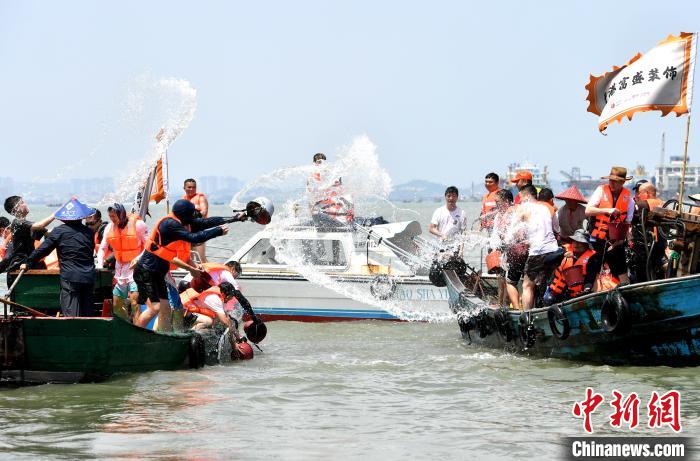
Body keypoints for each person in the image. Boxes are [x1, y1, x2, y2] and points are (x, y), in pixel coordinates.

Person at [134, 199, 243, 331]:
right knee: (155, 308)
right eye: (191, 214)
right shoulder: (169, 225)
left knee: (166, 309)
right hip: (146, 271)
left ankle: (165, 338)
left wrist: (235, 218)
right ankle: (136, 334)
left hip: (158, 273)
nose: (193, 218)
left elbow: (207, 222)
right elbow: (194, 238)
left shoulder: (183, 222)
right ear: (184, 215)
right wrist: (218, 231)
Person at [20, 199, 96, 316]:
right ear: (81, 217)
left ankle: (72, 332)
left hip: (70, 277)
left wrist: (28, 262)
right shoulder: (89, 232)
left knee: (71, 315)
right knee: (87, 313)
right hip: (88, 277)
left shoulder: (59, 231)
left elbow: (42, 250)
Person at [511, 185, 564, 310]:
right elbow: (557, 229)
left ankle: (527, 316)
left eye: (521, 197)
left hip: (537, 252)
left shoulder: (524, 208)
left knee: (527, 286)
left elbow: (512, 232)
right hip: (553, 251)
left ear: (528, 196)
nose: (520, 200)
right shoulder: (547, 208)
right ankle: (550, 310)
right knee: (547, 283)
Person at [97, 203, 149, 321]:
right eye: (110, 217)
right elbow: (102, 248)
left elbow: (149, 246)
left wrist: (138, 258)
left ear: (122, 214)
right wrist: (100, 264)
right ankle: (126, 326)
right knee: (116, 304)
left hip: (136, 269)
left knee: (135, 302)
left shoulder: (138, 225)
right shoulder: (109, 228)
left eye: (114, 216)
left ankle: (138, 329)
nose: (112, 219)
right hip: (120, 270)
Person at [585, 166, 635, 285]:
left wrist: (620, 241)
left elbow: (627, 223)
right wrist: (607, 210)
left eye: (615, 181)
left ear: (623, 182)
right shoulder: (601, 190)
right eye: (610, 180)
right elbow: (588, 210)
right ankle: (589, 289)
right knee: (594, 263)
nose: (611, 183)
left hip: (616, 240)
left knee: (620, 266)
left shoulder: (629, 200)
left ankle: (624, 289)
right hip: (598, 237)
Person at [542, 229, 601, 305]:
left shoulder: (591, 258)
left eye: (580, 242)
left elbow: (590, 277)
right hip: (555, 291)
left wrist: (587, 289)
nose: (576, 244)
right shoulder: (565, 250)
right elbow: (546, 261)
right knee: (549, 299)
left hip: (574, 294)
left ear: (586, 245)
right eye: (574, 241)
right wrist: (562, 254)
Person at [0, 196, 56, 275]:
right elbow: (40, 225)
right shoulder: (17, 223)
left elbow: (48, 233)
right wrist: (57, 214)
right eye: (22, 202)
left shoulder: (28, 225)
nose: (25, 204)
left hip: (29, 264)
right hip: (19, 267)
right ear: (16, 209)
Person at [629, 183, 666, 283]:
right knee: (657, 271)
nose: (638, 196)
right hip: (660, 245)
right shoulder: (663, 204)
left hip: (645, 248)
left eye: (639, 193)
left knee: (642, 275)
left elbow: (628, 218)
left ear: (647, 193)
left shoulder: (642, 205)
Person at [183, 178, 209, 263]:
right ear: (184, 188)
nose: (191, 189)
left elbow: (204, 212)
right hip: (186, 233)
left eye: (193, 187)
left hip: (198, 232)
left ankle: (212, 274)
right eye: (189, 187)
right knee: (188, 258)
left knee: (200, 259)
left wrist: (192, 215)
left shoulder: (201, 198)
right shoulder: (183, 200)